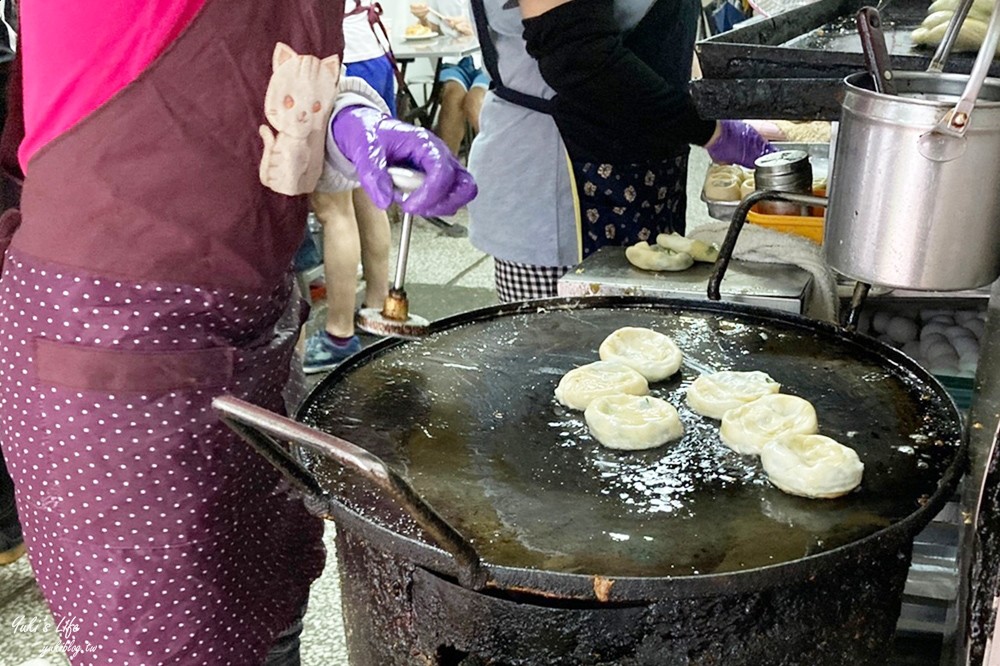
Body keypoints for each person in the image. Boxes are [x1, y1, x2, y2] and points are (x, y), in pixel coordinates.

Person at [4, 2, 473, 665]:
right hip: (113, 347)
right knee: (170, 642)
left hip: (248, 329)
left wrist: (345, 122)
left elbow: (241, 87)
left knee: (267, 616)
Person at [466, 0, 774, 302]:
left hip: (638, 168)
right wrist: (710, 131)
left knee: (643, 339)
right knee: (565, 346)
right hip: (559, 188)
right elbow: (575, 55)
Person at [302, 0, 396, 374]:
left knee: (333, 209)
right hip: (374, 55)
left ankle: (338, 335)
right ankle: (378, 309)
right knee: (369, 194)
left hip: (336, 62)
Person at [410, 1, 489, 156]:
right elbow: (434, 29)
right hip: (454, 63)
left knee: (474, 102)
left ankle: (503, 162)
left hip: (487, 62)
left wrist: (476, 28)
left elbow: (511, 28)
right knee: (453, 98)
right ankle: (447, 170)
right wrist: (423, 19)